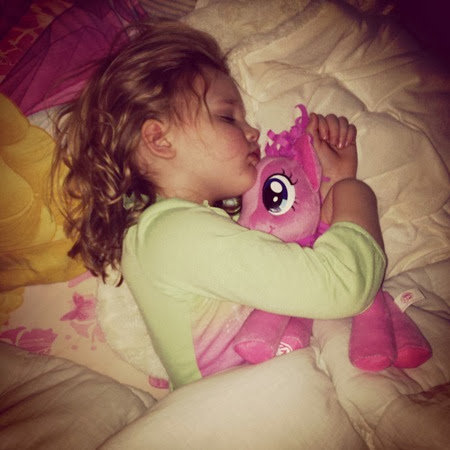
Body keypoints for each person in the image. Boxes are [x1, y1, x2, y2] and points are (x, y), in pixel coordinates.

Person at [53, 22, 386, 390]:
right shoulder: (175, 235)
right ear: (159, 139)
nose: (253, 132)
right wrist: (354, 194)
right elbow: (342, 287)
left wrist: (330, 183)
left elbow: (296, 271)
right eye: (227, 117)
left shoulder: (182, 232)